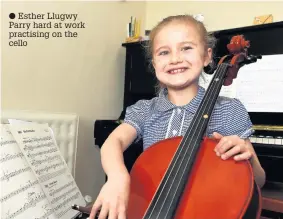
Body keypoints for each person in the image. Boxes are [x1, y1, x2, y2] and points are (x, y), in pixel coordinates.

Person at [89, 14, 266, 219]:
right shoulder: (145, 110)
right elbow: (114, 141)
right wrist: (117, 177)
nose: (175, 59)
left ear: (207, 56)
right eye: (164, 52)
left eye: (186, 48)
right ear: (154, 64)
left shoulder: (229, 110)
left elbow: (259, 181)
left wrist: (248, 157)